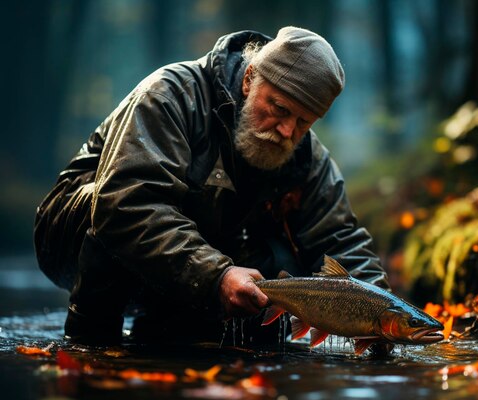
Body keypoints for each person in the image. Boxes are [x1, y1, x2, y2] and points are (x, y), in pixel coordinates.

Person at [34, 26, 390, 347]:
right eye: (279, 109)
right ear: (250, 79)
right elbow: (128, 204)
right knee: (111, 202)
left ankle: (169, 331)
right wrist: (216, 274)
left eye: (303, 122)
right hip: (76, 231)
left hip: (188, 261)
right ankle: (89, 342)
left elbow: (339, 238)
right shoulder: (171, 95)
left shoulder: (306, 155)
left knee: (273, 267)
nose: (287, 131)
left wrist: (383, 316)